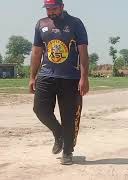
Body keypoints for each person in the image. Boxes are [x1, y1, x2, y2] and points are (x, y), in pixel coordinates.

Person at [29, 0, 89, 165]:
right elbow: (36, 52)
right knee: (40, 109)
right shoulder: (41, 24)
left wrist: (84, 78)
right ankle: (59, 133)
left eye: (54, 8)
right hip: (46, 75)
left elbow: (83, 52)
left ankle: (67, 151)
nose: (51, 12)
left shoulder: (75, 23)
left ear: (62, 7)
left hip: (70, 78)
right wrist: (32, 76)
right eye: (48, 9)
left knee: (68, 116)